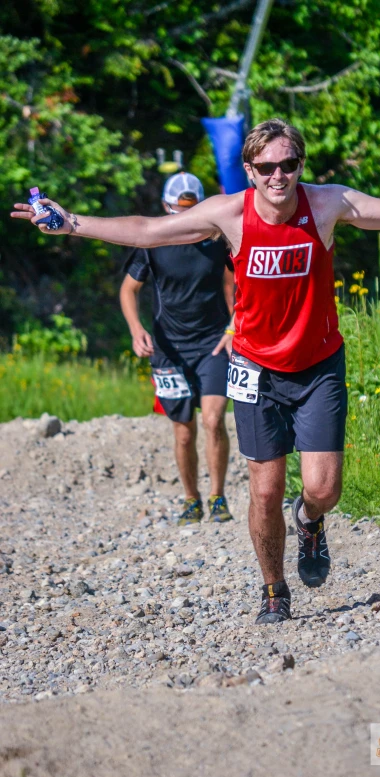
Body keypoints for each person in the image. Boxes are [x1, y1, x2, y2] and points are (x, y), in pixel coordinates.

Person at [12, 118, 380, 624]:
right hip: (254, 368)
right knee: (264, 489)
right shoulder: (229, 215)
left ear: (300, 164)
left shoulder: (326, 204)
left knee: (324, 489)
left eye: (289, 165)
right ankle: (274, 589)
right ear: (249, 170)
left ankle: (310, 521)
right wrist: (72, 221)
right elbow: (149, 230)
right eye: (267, 167)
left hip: (318, 364)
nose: (279, 176)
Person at [119, 172, 235, 526]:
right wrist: (136, 329)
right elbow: (128, 290)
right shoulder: (152, 242)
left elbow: (238, 283)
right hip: (168, 349)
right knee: (183, 430)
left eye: (190, 210)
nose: (183, 218)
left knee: (214, 420)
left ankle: (217, 496)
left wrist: (234, 327)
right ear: (167, 208)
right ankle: (191, 499)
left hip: (213, 342)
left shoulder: (217, 240)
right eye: (177, 211)